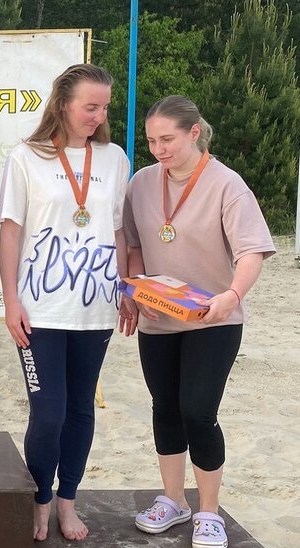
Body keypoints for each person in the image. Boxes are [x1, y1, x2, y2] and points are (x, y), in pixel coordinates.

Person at [125, 95, 275, 548]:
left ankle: (209, 511)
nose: (159, 150)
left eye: (167, 139)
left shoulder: (227, 185)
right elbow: (134, 246)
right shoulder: (142, 183)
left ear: (194, 133)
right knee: (165, 408)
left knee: (198, 411)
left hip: (214, 320)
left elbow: (251, 252)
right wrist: (137, 291)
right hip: (159, 321)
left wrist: (232, 295)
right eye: (152, 141)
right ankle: (174, 500)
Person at [0, 63, 133, 541]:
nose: (99, 116)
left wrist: (126, 289)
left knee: (80, 409)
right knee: (48, 412)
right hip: (40, 309)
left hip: (95, 306)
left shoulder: (114, 158)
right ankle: (40, 499)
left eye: (104, 108)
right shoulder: (26, 157)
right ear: (62, 104)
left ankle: (67, 502)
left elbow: (117, 231)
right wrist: (10, 300)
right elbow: (10, 232)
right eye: (90, 106)